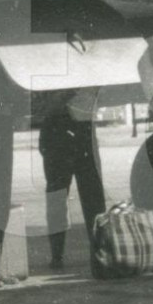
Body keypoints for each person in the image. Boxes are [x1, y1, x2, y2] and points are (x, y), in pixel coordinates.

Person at [37, 87, 105, 270]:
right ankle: (57, 255)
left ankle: (100, 252)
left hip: (84, 127)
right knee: (58, 196)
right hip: (58, 128)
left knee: (93, 196)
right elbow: (44, 105)